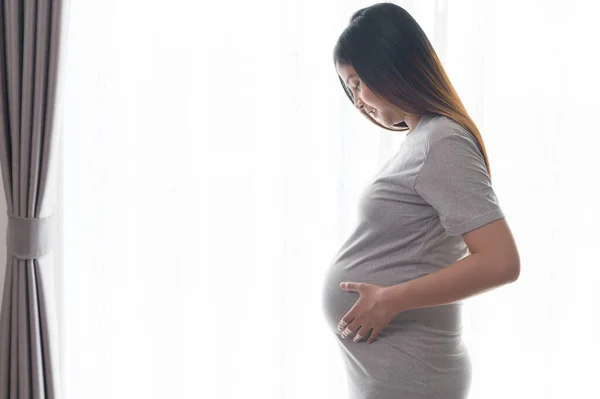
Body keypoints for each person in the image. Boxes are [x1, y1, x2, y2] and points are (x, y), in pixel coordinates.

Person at [320, 3, 520, 399]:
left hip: (413, 374)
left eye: (359, 82)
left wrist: (390, 300)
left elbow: (500, 261)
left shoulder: (443, 140)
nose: (356, 100)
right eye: (349, 87)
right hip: (397, 372)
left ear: (390, 65)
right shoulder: (421, 139)